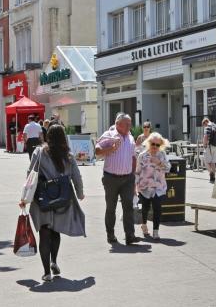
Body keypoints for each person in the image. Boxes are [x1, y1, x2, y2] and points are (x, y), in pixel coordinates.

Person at [19, 124, 85, 282]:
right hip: (62, 199)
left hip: (42, 198)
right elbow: (76, 176)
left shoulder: (39, 152)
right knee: (56, 231)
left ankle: (46, 272)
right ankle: (54, 261)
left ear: (47, 136)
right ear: (63, 137)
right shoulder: (68, 155)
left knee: (44, 232)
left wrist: (25, 197)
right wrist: (80, 193)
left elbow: (31, 175)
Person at [95, 113, 139, 245]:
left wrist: (133, 176)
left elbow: (133, 157)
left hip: (127, 178)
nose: (129, 126)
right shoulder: (110, 134)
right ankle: (111, 235)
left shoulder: (130, 137)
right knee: (111, 208)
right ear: (118, 124)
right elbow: (97, 150)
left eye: (130, 124)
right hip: (111, 178)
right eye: (127, 124)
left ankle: (130, 235)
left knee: (128, 208)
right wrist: (111, 148)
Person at [136, 131, 171, 239]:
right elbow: (137, 172)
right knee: (145, 208)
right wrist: (135, 187)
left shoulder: (162, 155)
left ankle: (156, 231)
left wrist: (159, 162)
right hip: (144, 186)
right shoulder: (142, 156)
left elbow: (168, 168)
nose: (155, 146)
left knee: (157, 208)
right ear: (148, 143)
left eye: (158, 145)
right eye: (153, 144)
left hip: (158, 186)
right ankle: (144, 225)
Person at [201, 118, 216, 183]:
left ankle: (211, 173)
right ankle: (213, 177)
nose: (204, 126)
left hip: (209, 147)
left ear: (205, 122)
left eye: (204, 125)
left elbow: (205, 137)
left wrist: (204, 145)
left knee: (205, 161)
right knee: (213, 162)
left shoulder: (208, 127)